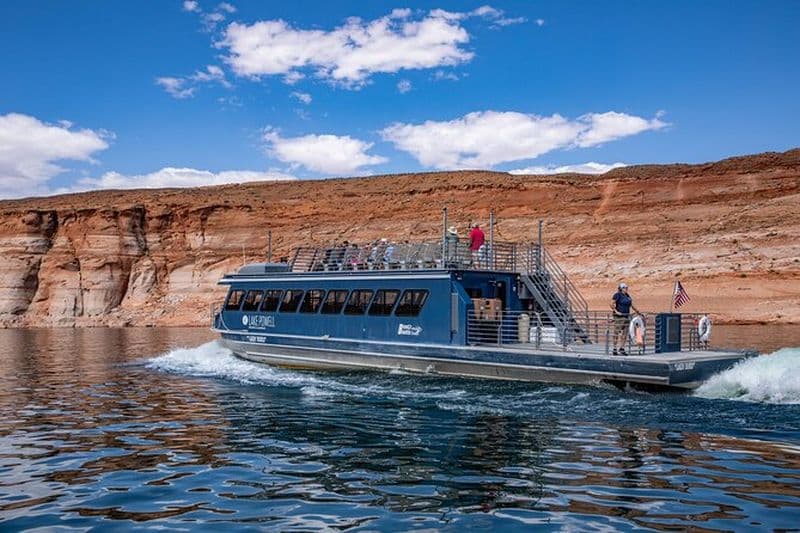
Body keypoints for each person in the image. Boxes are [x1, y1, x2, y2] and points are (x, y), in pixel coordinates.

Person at [610, 282, 640, 356]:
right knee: (616, 332)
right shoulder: (617, 295)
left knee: (625, 333)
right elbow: (611, 304)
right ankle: (614, 348)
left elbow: (631, 304)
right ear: (621, 288)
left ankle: (622, 348)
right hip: (619, 317)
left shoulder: (627, 296)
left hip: (626, 316)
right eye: (624, 288)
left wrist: (638, 311)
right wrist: (616, 311)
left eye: (626, 287)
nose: (626, 289)